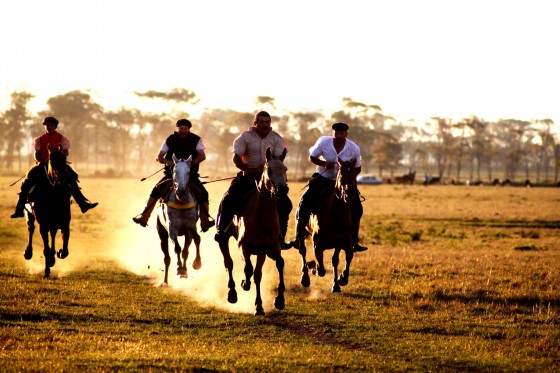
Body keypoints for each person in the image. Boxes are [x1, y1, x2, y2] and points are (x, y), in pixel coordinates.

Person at [214, 111, 292, 249]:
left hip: (269, 178)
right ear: (255, 123)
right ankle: (222, 229)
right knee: (229, 198)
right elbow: (236, 157)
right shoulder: (245, 137)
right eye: (261, 122)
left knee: (285, 203)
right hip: (248, 175)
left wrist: (271, 168)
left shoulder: (276, 138)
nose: (265, 125)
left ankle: (281, 237)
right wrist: (246, 168)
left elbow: (279, 158)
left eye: (267, 122)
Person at [293, 122, 368, 253]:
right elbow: (312, 157)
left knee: (356, 206)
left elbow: (358, 167)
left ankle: (354, 241)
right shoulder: (323, 142)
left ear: (346, 134)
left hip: (343, 182)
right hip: (323, 179)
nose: (338, 135)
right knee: (305, 201)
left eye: (341, 133)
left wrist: (349, 177)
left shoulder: (353, 148)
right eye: (336, 133)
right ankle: (299, 236)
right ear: (332, 133)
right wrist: (323, 163)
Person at [132, 118, 214, 232]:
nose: (183, 131)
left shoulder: (196, 140)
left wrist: (191, 163)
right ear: (178, 128)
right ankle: (144, 217)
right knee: (156, 190)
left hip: (191, 175)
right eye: (181, 128)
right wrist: (167, 162)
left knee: (204, 193)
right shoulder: (170, 139)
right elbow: (159, 157)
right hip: (171, 175)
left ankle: (205, 221)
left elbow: (202, 156)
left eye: (185, 129)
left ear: (189, 129)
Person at [10, 116, 98, 218]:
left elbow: (66, 152)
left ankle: (83, 204)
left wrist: (62, 155)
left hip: (59, 165)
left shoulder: (62, 139)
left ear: (55, 127)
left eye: (51, 125)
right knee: (27, 182)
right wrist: (41, 160)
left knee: (72, 177)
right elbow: (37, 154)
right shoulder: (39, 139)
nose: (49, 127)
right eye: (47, 125)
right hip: (43, 165)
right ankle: (19, 209)